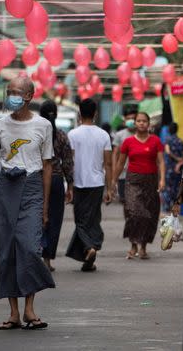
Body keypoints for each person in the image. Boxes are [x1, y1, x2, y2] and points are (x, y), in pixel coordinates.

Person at [0, 76, 55, 330]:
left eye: (17, 92)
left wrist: (46, 205)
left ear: (29, 96)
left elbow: (47, 165)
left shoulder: (43, 125)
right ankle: (14, 312)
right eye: (9, 91)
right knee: (7, 249)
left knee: (29, 246)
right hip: (6, 188)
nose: (11, 95)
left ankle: (30, 308)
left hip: (33, 186)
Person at [65, 99, 113, 272]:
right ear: (95, 114)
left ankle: (90, 246)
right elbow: (108, 164)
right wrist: (110, 187)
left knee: (81, 220)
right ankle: (90, 251)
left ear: (79, 113)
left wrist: (68, 186)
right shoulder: (103, 135)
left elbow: (69, 162)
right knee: (92, 218)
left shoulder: (72, 135)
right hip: (97, 183)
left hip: (78, 183)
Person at [114, 112, 165, 260]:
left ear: (149, 124)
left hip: (151, 180)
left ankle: (142, 246)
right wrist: (113, 181)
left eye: (144, 121)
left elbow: (161, 161)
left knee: (150, 213)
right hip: (132, 180)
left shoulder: (156, 141)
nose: (141, 123)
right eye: (138, 121)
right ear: (135, 123)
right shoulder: (128, 142)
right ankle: (133, 244)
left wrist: (162, 180)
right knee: (135, 211)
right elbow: (120, 162)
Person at [39, 100, 74, 272]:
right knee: (54, 220)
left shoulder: (36, 134)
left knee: (36, 217)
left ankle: (35, 254)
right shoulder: (60, 135)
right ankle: (47, 259)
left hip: (36, 180)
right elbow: (67, 161)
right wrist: (71, 185)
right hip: (56, 180)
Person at [111, 104, 138, 204]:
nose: (131, 121)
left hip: (138, 174)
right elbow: (115, 154)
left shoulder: (142, 134)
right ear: (125, 120)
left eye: (133, 118)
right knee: (125, 201)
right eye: (128, 118)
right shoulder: (119, 135)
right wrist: (114, 173)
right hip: (123, 174)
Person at [162, 123, 183, 211]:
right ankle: (174, 204)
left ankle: (166, 206)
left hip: (169, 167)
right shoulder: (180, 141)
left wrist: (176, 158)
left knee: (168, 186)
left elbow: (168, 152)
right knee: (176, 187)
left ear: (169, 130)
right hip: (178, 168)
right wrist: (180, 161)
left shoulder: (167, 140)